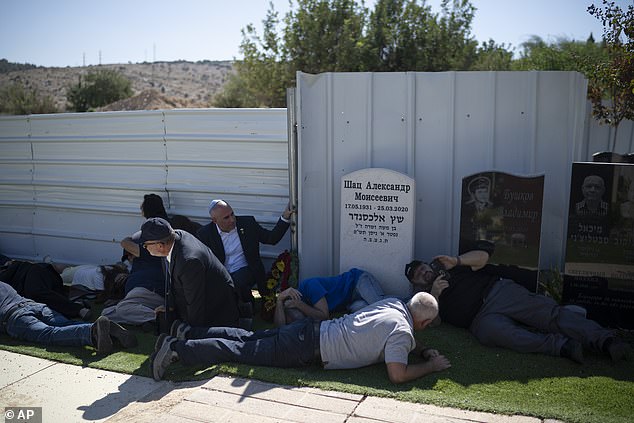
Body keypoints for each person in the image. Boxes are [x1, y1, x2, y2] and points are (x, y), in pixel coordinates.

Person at [405, 242, 631, 364]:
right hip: (480, 320)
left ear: (429, 264)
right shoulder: (425, 298)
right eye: (417, 274)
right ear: (416, 283)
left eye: (423, 267)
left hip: (497, 292)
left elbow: (483, 257)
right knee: (501, 335)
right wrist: (435, 295)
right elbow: (433, 324)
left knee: (547, 314)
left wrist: (457, 260)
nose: (423, 272)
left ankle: (605, 340)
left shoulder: (450, 266)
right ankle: (562, 347)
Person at [150, 292, 451, 384]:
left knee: (247, 338)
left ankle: (186, 332)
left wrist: (422, 349)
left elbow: (405, 336)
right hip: (307, 349)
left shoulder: (394, 305)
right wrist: (431, 367)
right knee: (238, 351)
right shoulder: (401, 332)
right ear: (422, 322)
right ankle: (178, 349)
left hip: (309, 331)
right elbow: (397, 375)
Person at [139, 217, 243, 329]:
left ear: (159, 246)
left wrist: (189, 334)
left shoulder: (189, 261)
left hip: (216, 312)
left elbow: (196, 303)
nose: (145, 248)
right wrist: (170, 306)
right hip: (201, 302)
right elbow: (173, 282)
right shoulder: (174, 238)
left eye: (145, 245)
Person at [196, 199, 293, 304]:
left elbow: (271, 238)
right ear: (215, 220)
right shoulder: (205, 234)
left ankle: (247, 307)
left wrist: (285, 217)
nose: (232, 220)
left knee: (237, 282)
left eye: (232, 214)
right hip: (223, 273)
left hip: (247, 269)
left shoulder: (247, 223)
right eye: (226, 218)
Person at [0, 281, 137, 353]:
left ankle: (91, 332)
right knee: (66, 324)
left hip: (14, 317)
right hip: (35, 305)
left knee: (49, 334)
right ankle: (110, 334)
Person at [273, 268, 387, 326]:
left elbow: (324, 315)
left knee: (382, 306)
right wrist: (279, 300)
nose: (296, 322)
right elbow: (280, 326)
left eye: (294, 319)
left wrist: (300, 305)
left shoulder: (308, 285)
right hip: (351, 302)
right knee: (373, 313)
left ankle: (405, 301)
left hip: (357, 281)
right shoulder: (300, 309)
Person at [0, 260, 91, 320]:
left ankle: (78, 308)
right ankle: (76, 305)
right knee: (40, 300)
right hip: (23, 286)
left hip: (26, 272)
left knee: (37, 292)